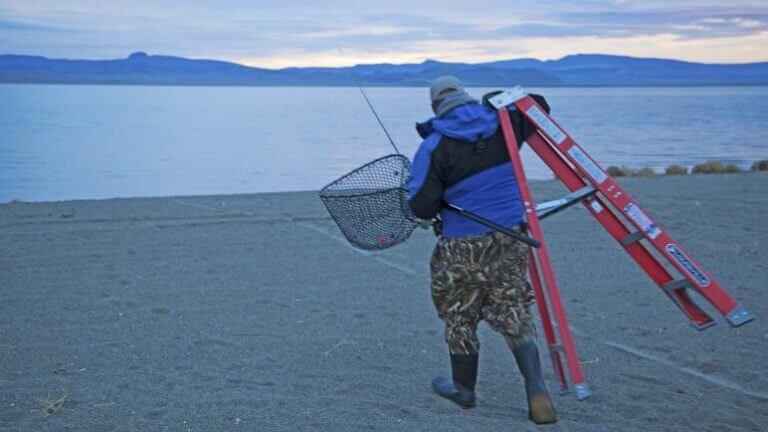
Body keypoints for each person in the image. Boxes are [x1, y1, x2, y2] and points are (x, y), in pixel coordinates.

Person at [407, 76, 557, 424]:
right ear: (467, 97)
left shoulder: (434, 146)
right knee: (513, 305)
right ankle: (536, 389)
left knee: (459, 313)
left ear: (434, 107)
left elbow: (422, 208)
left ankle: (464, 391)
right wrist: (496, 101)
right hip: (510, 236)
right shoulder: (507, 122)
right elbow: (538, 103)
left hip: (462, 243)